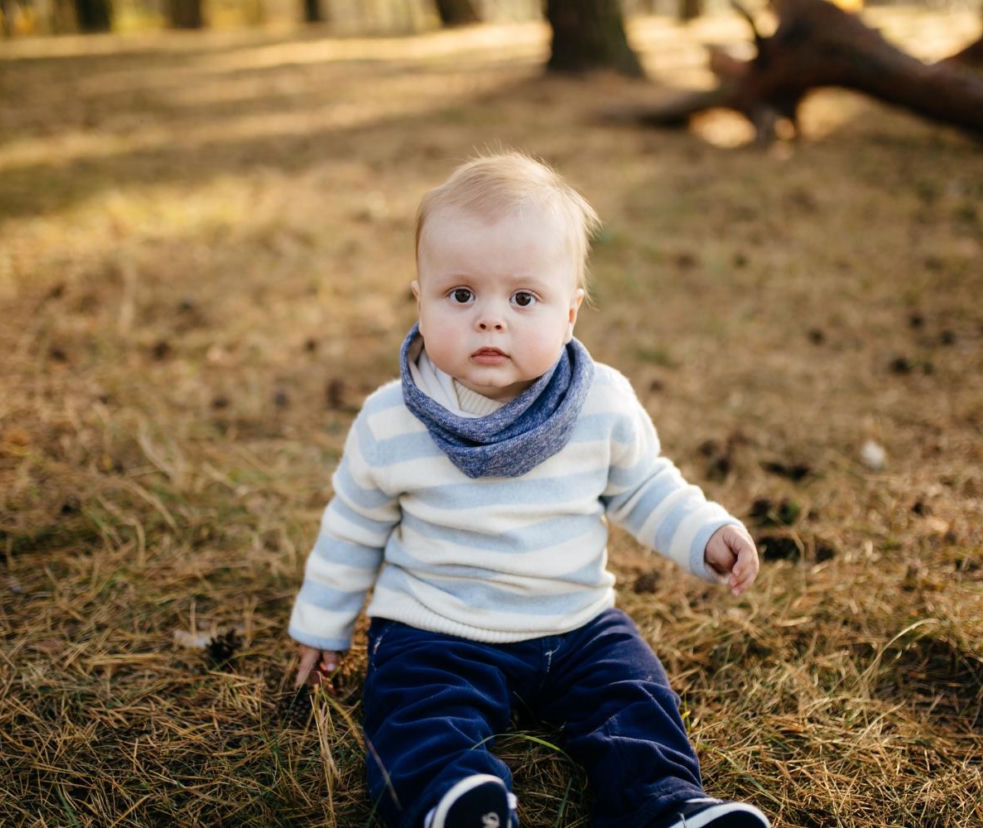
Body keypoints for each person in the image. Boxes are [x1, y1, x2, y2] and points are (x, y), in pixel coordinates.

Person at [289, 152, 770, 828]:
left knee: (634, 699)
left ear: (569, 313)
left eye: (523, 299)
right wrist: (323, 622)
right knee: (413, 711)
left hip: (576, 624)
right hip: (438, 627)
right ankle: (455, 800)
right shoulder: (391, 420)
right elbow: (354, 525)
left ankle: (667, 806)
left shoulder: (599, 402)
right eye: (461, 295)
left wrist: (705, 532)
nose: (491, 319)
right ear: (420, 300)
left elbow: (644, 486)